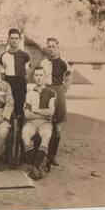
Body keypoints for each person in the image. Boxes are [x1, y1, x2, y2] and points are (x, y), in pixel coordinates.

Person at [40, 37, 72, 167]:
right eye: (49, 46)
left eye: (54, 46)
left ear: (58, 48)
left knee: (57, 124)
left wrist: (63, 91)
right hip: (46, 90)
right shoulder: (43, 63)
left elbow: (69, 79)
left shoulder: (64, 63)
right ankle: (43, 154)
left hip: (59, 90)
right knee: (44, 123)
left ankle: (52, 156)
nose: (51, 49)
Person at [22, 66, 56, 180]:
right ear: (33, 77)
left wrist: (35, 110)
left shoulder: (51, 92)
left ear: (45, 76)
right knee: (25, 134)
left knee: (46, 136)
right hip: (31, 122)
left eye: (41, 75)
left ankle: (34, 167)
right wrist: (43, 113)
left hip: (45, 123)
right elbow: (27, 114)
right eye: (36, 75)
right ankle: (36, 167)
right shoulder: (30, 93)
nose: (38, 78)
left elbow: (51, 112)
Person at [0, 28, 31, 118]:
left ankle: (19, 129)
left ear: (19, 40)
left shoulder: (25, 55)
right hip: (8, 82)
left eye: (16, 38)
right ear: (8, 39)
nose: (14, 40)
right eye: (12, 38)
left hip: (20, 82)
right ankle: (9, 128)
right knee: (7, 106)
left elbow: (27, 72)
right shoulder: (3, 56)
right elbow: (2, 74)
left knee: (19, 107)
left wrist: (23, 82)